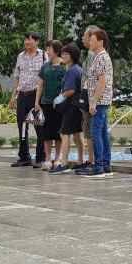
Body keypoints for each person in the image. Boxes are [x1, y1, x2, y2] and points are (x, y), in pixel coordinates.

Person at [8, 32, 45, 167]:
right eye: (25, 40)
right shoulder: (20, 56)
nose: (26, 42)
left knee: (39, 126)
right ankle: (24, 157)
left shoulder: (43, 55)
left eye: (29, 40)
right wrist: (13, 96)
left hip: (36, 95)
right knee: (22, 126)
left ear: (36, 42)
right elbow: (17, 77)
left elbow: (45, 76)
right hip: (22, 95)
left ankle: (41, 158)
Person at [81, 29, 114, 178]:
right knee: (102, 133)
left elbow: (102, 81)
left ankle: (99, 165)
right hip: (101, 100)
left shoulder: (101, 57)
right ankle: (105, 164)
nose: (90, 42)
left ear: (100, 41)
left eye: (92, 40)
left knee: (96, 133)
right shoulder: (100, 56)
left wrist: (93, 101)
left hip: (100, 101)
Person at [50, 43, 85, 175]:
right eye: (62, 53)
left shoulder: (71, 71)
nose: (63, 56)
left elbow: (70, 90)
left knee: (65, 134)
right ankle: (80, 161)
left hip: (71, 107)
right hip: (77, 107)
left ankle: (63, 163)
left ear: (72, 56)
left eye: (66, 54)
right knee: (76, 135)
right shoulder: (77, 69)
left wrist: (59, 97)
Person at [36, 40, 65, 170]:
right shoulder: (45, 66)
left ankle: (58, 158)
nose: (47, 52)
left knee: (58, 133)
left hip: (59, 105)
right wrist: (37, 102)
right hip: (46, 103)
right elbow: (40, 84)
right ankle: (48, 159)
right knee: (46, 133)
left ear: (56, 51)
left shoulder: (64, 66)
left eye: (49, 49)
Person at [75, 25, 99, 173]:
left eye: (85, 36)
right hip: (87, 96)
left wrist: (91, 99)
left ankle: (92, 161)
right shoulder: (90, 54)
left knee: (90, 130)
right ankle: (91, 160)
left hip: (90, 97)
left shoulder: (94, 55)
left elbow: (93, 79)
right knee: (88, 129)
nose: (82, 38)